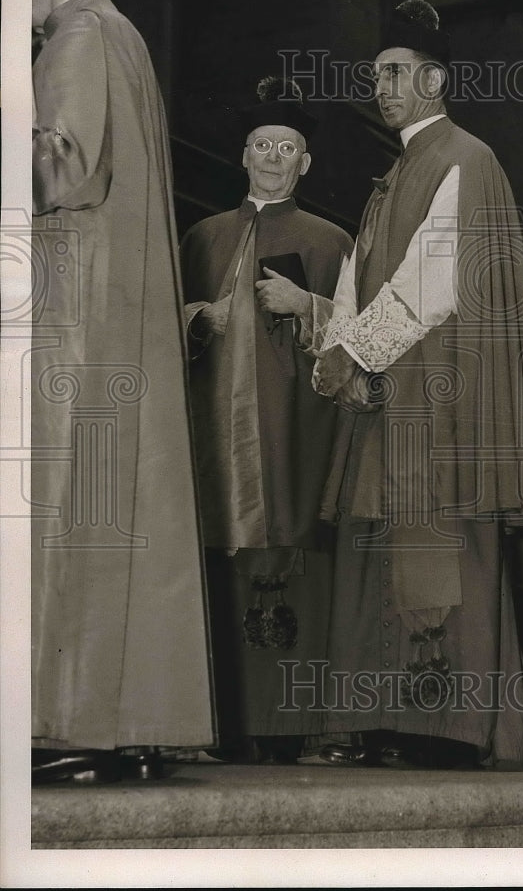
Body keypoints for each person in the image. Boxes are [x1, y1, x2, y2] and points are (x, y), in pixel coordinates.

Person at [293, 0, 523, 769]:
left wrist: (358, 352)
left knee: (437, 546)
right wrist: (337, 350)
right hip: (390, 391)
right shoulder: (398, 170)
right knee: (386, 544)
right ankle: (387, 720)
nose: (380, 86)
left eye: (396, 72)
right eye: (376, 74)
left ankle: (447, 729)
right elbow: (358, 274)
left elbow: (435, 277)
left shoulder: (464, 160)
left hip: (440, 394)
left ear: (436, 79)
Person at [30, 0, 214, 782]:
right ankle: (134, 723)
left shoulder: (78, 33)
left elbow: (61, 167)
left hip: (84, 316)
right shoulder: (125, 34)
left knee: (77, 502)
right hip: (122, 314)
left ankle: (73, 721)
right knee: (131, 509)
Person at [179, 77, 353, 764]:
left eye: (287, 147)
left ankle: (300, 724)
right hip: (213, 433)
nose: (273, 157)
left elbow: (367, 334)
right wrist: (199, 318)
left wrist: (306, 302)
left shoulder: (332, 240)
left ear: (304, 163)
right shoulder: (202, 237)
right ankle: (218, 725)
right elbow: (153, 331)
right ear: (243, 155)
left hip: (297, 432)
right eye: (261, 145)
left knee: (295, 545)